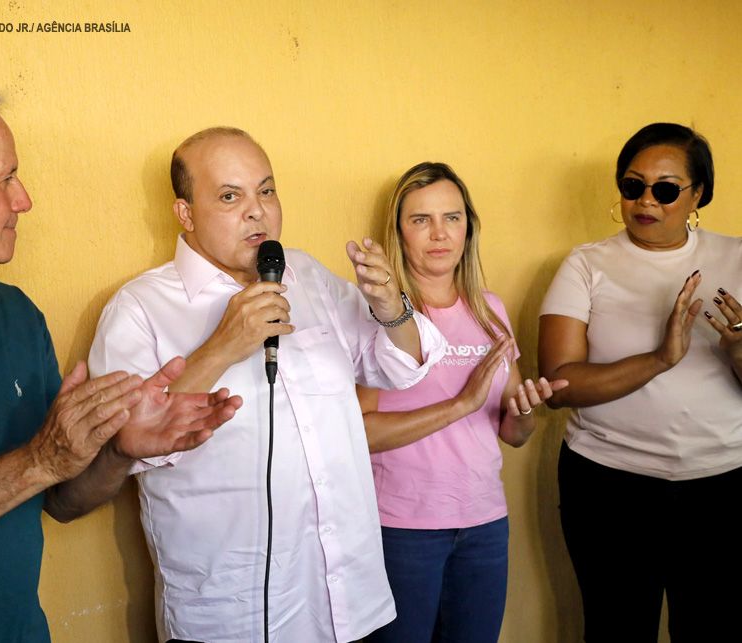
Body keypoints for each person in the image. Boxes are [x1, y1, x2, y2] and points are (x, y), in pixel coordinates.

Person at [0, 81, 242, 642]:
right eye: (7, 179)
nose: (23, 200)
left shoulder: (17, 316)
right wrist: (38, 461)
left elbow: (60, 500)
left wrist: (119, 449)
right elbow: (37, 468)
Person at [87, 126, 447, 642]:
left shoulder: (308, 276)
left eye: (267, 190)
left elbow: (401, 367)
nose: (257, 211)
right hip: (232, 615)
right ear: (185, 213)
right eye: (230, 196)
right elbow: (120, 448)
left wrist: (393, 310)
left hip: (347, 600)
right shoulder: (138, 309)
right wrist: (222, 347)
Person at [539, 123, 742, 642]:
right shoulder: (586, 264)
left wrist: (739, 352)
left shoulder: (738, 259)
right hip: (609, 487)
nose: (646, 200)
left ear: (699, 194)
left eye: (666, 189)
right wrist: (659, 358)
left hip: (721, 487)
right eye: (633, 186)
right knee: (616, 629)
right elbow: (560, 383)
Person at [356, 162, 566, 643]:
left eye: (452, 217)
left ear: (468, 226)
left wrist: (525, 411)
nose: (438, 233)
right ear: (398, 232)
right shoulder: (380, 315)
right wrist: (461, 404)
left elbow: (513, 435)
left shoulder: (489, 308)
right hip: (403, 528)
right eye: (420, 219)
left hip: (484, 524)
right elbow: (358, 431)